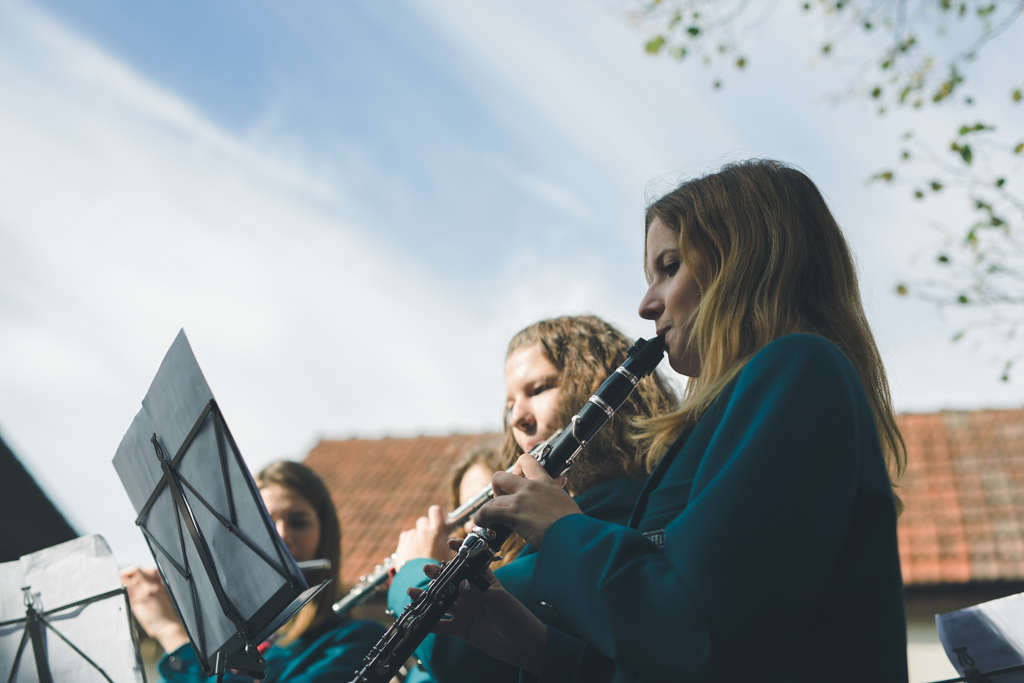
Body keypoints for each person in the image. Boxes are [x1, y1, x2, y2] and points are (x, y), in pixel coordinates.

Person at [428, 160, 910, 682]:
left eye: (670, 266)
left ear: (744, 262)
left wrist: (563, 530)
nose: (646, 303)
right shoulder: (730, 413)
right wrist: (541, 652)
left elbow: (697, 635)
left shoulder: (797, 368)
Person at [387, 315, 678, 683]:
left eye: (538, 389)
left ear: (597, 385)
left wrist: (412, 567)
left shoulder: (615, 508)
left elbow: (452, 649)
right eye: (510, 403)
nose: (518, 417)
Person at [121, 460, 385, 682]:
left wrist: (171, 633)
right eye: (267, 521)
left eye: (298, 522)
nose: (282, 536)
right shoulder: (224, 636)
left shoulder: (357, 641)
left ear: (325, 535)